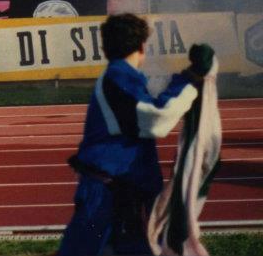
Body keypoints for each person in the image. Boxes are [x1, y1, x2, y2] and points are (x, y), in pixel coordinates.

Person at [57, 14, 213, 256]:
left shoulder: (118, 77)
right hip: (111, 196)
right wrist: (189, 79)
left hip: (116, 192)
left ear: (105, 48)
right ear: (142, 47)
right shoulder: (120, 77)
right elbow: (156, 119)